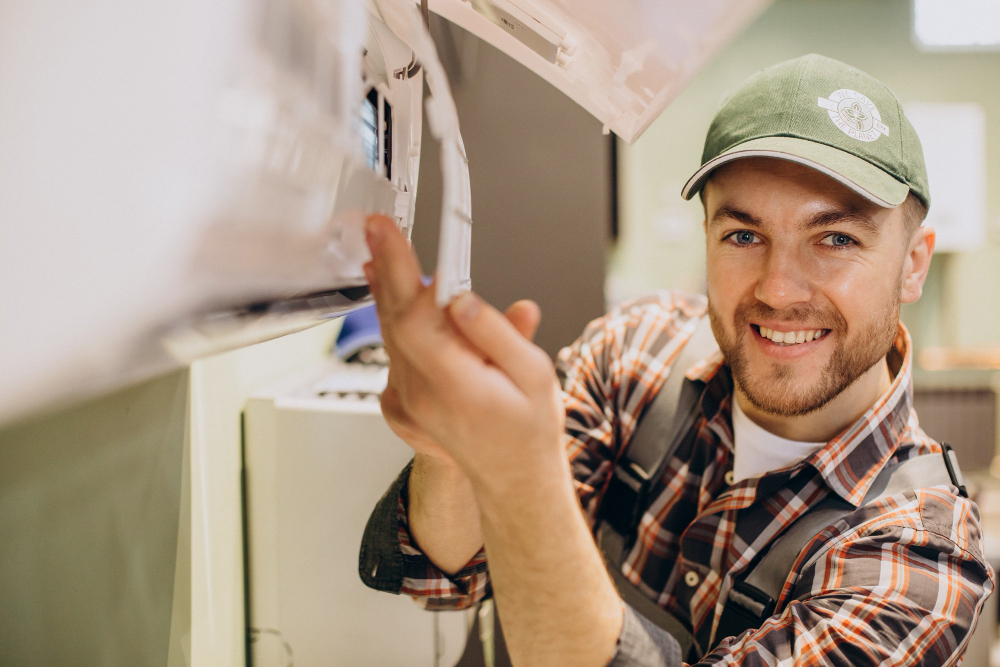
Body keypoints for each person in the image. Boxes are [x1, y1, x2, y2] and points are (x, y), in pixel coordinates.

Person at [357, 54, 994, 665]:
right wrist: (452, 452)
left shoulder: (918, 561)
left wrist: (519, 476)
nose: (777, 289)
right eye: (744, 235)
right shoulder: (637, 354)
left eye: (835, 239)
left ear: (912, 264)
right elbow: (442, 572)